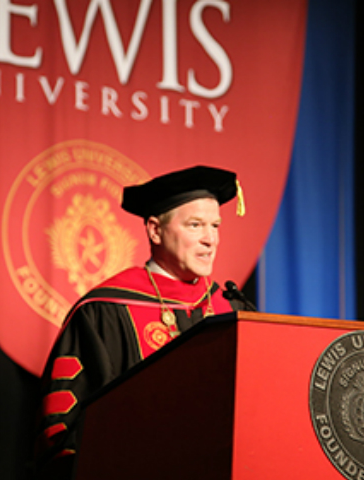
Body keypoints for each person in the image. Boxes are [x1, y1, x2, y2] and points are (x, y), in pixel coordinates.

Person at [33, 165, 253, 479]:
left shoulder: (229, 308)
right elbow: (61, 422)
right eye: (195, 225)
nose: (210, 239)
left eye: (215, 225)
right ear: (154, 230)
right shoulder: (105, 310)